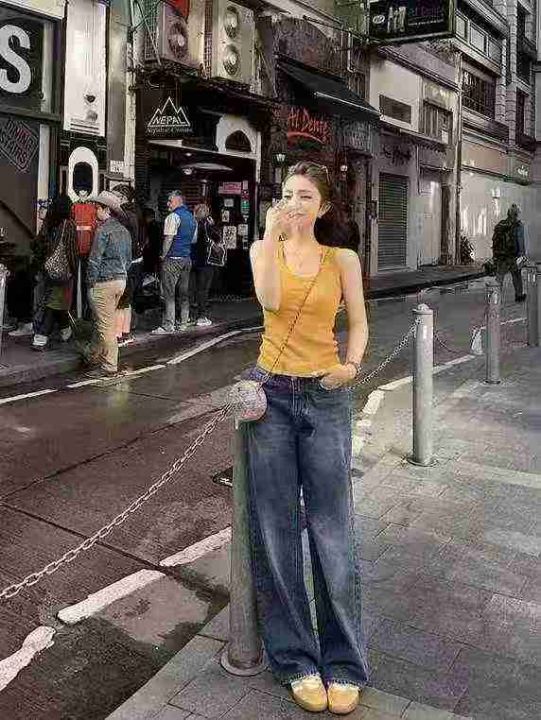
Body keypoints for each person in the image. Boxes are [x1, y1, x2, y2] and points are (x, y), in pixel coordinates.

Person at [245, 161, 369, 715]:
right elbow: (271, 301)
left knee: (331, 528)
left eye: (306, 197)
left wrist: (351, 366)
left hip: (325, 394)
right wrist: (272, 234)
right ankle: (296, 659)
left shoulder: (343, 259)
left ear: (323, 208)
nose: (294, 204)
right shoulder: (261, 248)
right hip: (271, 396)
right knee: (275, 530)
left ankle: (344, 663)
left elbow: (358, 322)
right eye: (288, 194)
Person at [86, 191, 132, 378]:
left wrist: (90, 283)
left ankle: (109, 366)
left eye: (97, 207)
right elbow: (128, 260)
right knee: (105, 321)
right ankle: (93, 355)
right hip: (121, 281)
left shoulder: (103, 230)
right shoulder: (124, 231)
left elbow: (94, 260)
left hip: (104, 282)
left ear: (106, 210)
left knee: (105, 326)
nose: (95, 210)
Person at [31, 195, 78, 350]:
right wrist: (73, 270)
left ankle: (65, 331)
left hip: (47, 268)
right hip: (62, 270)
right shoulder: (69, 225)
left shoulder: (48, 222)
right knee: (54, 303)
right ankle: (41, 336)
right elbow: (71, 250)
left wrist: (43, 261)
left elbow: (37, 244)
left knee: (56, 301)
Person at [152, 190, 196, 335]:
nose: (167, 204)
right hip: (186, 259)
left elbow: (169, 238)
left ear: (178, 201)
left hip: (172, 259)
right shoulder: (191, 217)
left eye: (170, 201)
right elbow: (193, 239)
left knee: (168, 293)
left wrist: (163, 255)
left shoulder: (172, 217)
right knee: (184, 293)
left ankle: (168, 325)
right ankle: (183, 322)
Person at [112, 185, 146, 340]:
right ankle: (125, 333)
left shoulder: (123, 215)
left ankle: (118, 334)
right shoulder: (137, 212)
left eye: (115, 196)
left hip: (127, 261)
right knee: (127, 300)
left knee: (120, 300)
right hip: (137, 259)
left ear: (122, 198)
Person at [189, 203, 223, 327]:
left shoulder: (191, 224)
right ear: (206, 213)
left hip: (191, 260)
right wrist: (213, 226)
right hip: (206, 262)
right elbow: (218, 238)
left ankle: (188, 316)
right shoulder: (207, 225)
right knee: (203, 290)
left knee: (190, 289)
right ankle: (201, 316)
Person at [492, 204, 527, 302]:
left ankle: (496, 296)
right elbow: (520, 241)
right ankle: (519, 295)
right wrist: (522, 254)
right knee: (517, 275)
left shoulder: (501, 224)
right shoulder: (519, 225)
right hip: (512, 256)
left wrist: (495, 255)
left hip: (501, 255)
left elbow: (495, 241)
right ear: (517, 214)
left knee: (499, 276)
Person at [142, 207, 162, 276]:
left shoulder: (150, 226)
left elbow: (147, 240)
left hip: (150, 252)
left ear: (146, 217)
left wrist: (142, 247)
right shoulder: (158, 225)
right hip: (157, 250)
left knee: (149, 271)